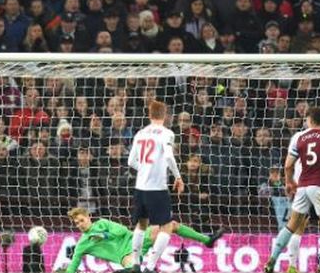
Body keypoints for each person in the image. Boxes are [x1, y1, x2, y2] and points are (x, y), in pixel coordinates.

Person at [264, 107, 320, 273]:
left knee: (291, 226)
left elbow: (288, 165)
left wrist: (289, 182)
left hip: (302, 187)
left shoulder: (299, 137)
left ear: (309, 120)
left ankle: (272, 260)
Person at [56, 207, 224, 273]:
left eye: (81, 220)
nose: (79, 224)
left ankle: (206, 240)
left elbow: (122, 231)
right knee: (132, 269)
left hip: (135, 240)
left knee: (170, 224)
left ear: (88, 217)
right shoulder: (82, 244)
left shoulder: (102, 223)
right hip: (125, 255)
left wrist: (104, 235)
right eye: (76, 223)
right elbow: (73, 266)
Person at [127, 101, 184, 273]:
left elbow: (131, 162)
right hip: (157, 189)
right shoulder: (167, 133)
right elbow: (168, 156)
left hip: (140, 188)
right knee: (166, 226)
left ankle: (135, 263)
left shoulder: (140, 133)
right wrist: (178, 176)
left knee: (141, 225)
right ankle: (150, 266)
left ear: (149, 115)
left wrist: (145, 169)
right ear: (165, 115)